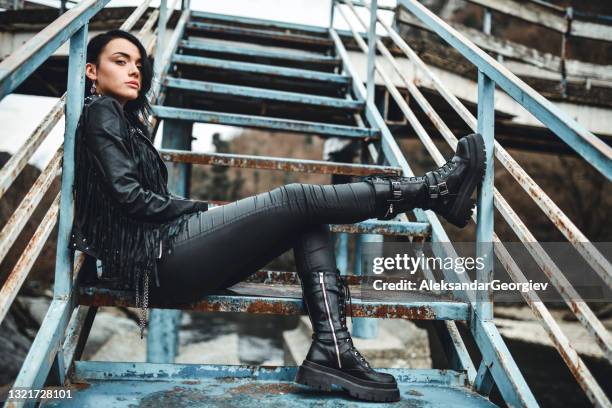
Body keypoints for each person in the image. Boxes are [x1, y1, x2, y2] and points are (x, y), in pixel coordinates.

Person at [69, 29, 486, 403]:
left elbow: (136, 197)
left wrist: (194, 210)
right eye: (120, 62)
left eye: (139, 64)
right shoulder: (101, 111)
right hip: (160, 261)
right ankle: (430, 191)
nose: (134, 71)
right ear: (90, 70)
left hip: (166, 257)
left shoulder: (124, 122)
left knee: (305, 216)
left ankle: (333, 349)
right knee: (296, 198)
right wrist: (200, 207)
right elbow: (130, 198)